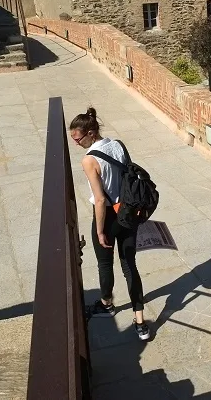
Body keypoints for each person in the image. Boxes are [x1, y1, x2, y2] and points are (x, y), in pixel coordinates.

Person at [70, 107, 150, 342]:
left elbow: (100, 199)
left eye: (77, 138)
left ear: (90, 133)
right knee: (130, 266)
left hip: (108, 215)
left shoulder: (89, 160)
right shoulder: (118, 144)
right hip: (127, 212)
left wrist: (99, 230)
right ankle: (140, 321)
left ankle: (107, 304)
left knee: (105, 264)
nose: (76, 143)